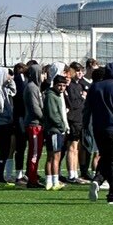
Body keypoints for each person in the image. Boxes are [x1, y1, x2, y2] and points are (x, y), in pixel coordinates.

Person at [84, 62, 113, 205]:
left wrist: (85, 126)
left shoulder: (94, 87)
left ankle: (97, 180)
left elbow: (87, 109)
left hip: (98, 129)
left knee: (105, 157)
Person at [42, 72, 70, 190]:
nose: (62, 88)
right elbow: (54, 115)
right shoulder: (51, 96)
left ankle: (50, 181)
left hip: (55, 129)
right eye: (59, 85)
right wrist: (62, 126)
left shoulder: (57, 95)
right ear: (54, 84)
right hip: (54, 130)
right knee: (55, 156)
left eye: (64, 86)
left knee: (52, 156)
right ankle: (54, 181)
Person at [63, 62, 87, 183]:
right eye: (77, 71)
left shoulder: (79, 85)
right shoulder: (70, 86)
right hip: (73, 119)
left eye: (81, 71)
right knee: (71, 147)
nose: (80, 73)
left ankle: (75, 173)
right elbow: (73, 104)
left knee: (76, 147)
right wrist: (83, 97)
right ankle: (71, 174)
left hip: (79, 119)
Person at [23, 60, 45, 189]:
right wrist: (44, 119)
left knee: (36, 152)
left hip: (37, 125)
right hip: (34, 125)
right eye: (41, 73)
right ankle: (32, 179)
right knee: (34, 153)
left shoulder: (35, 87)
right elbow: (35, 109)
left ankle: (33, 175)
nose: (43, 76)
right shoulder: (31, 88)